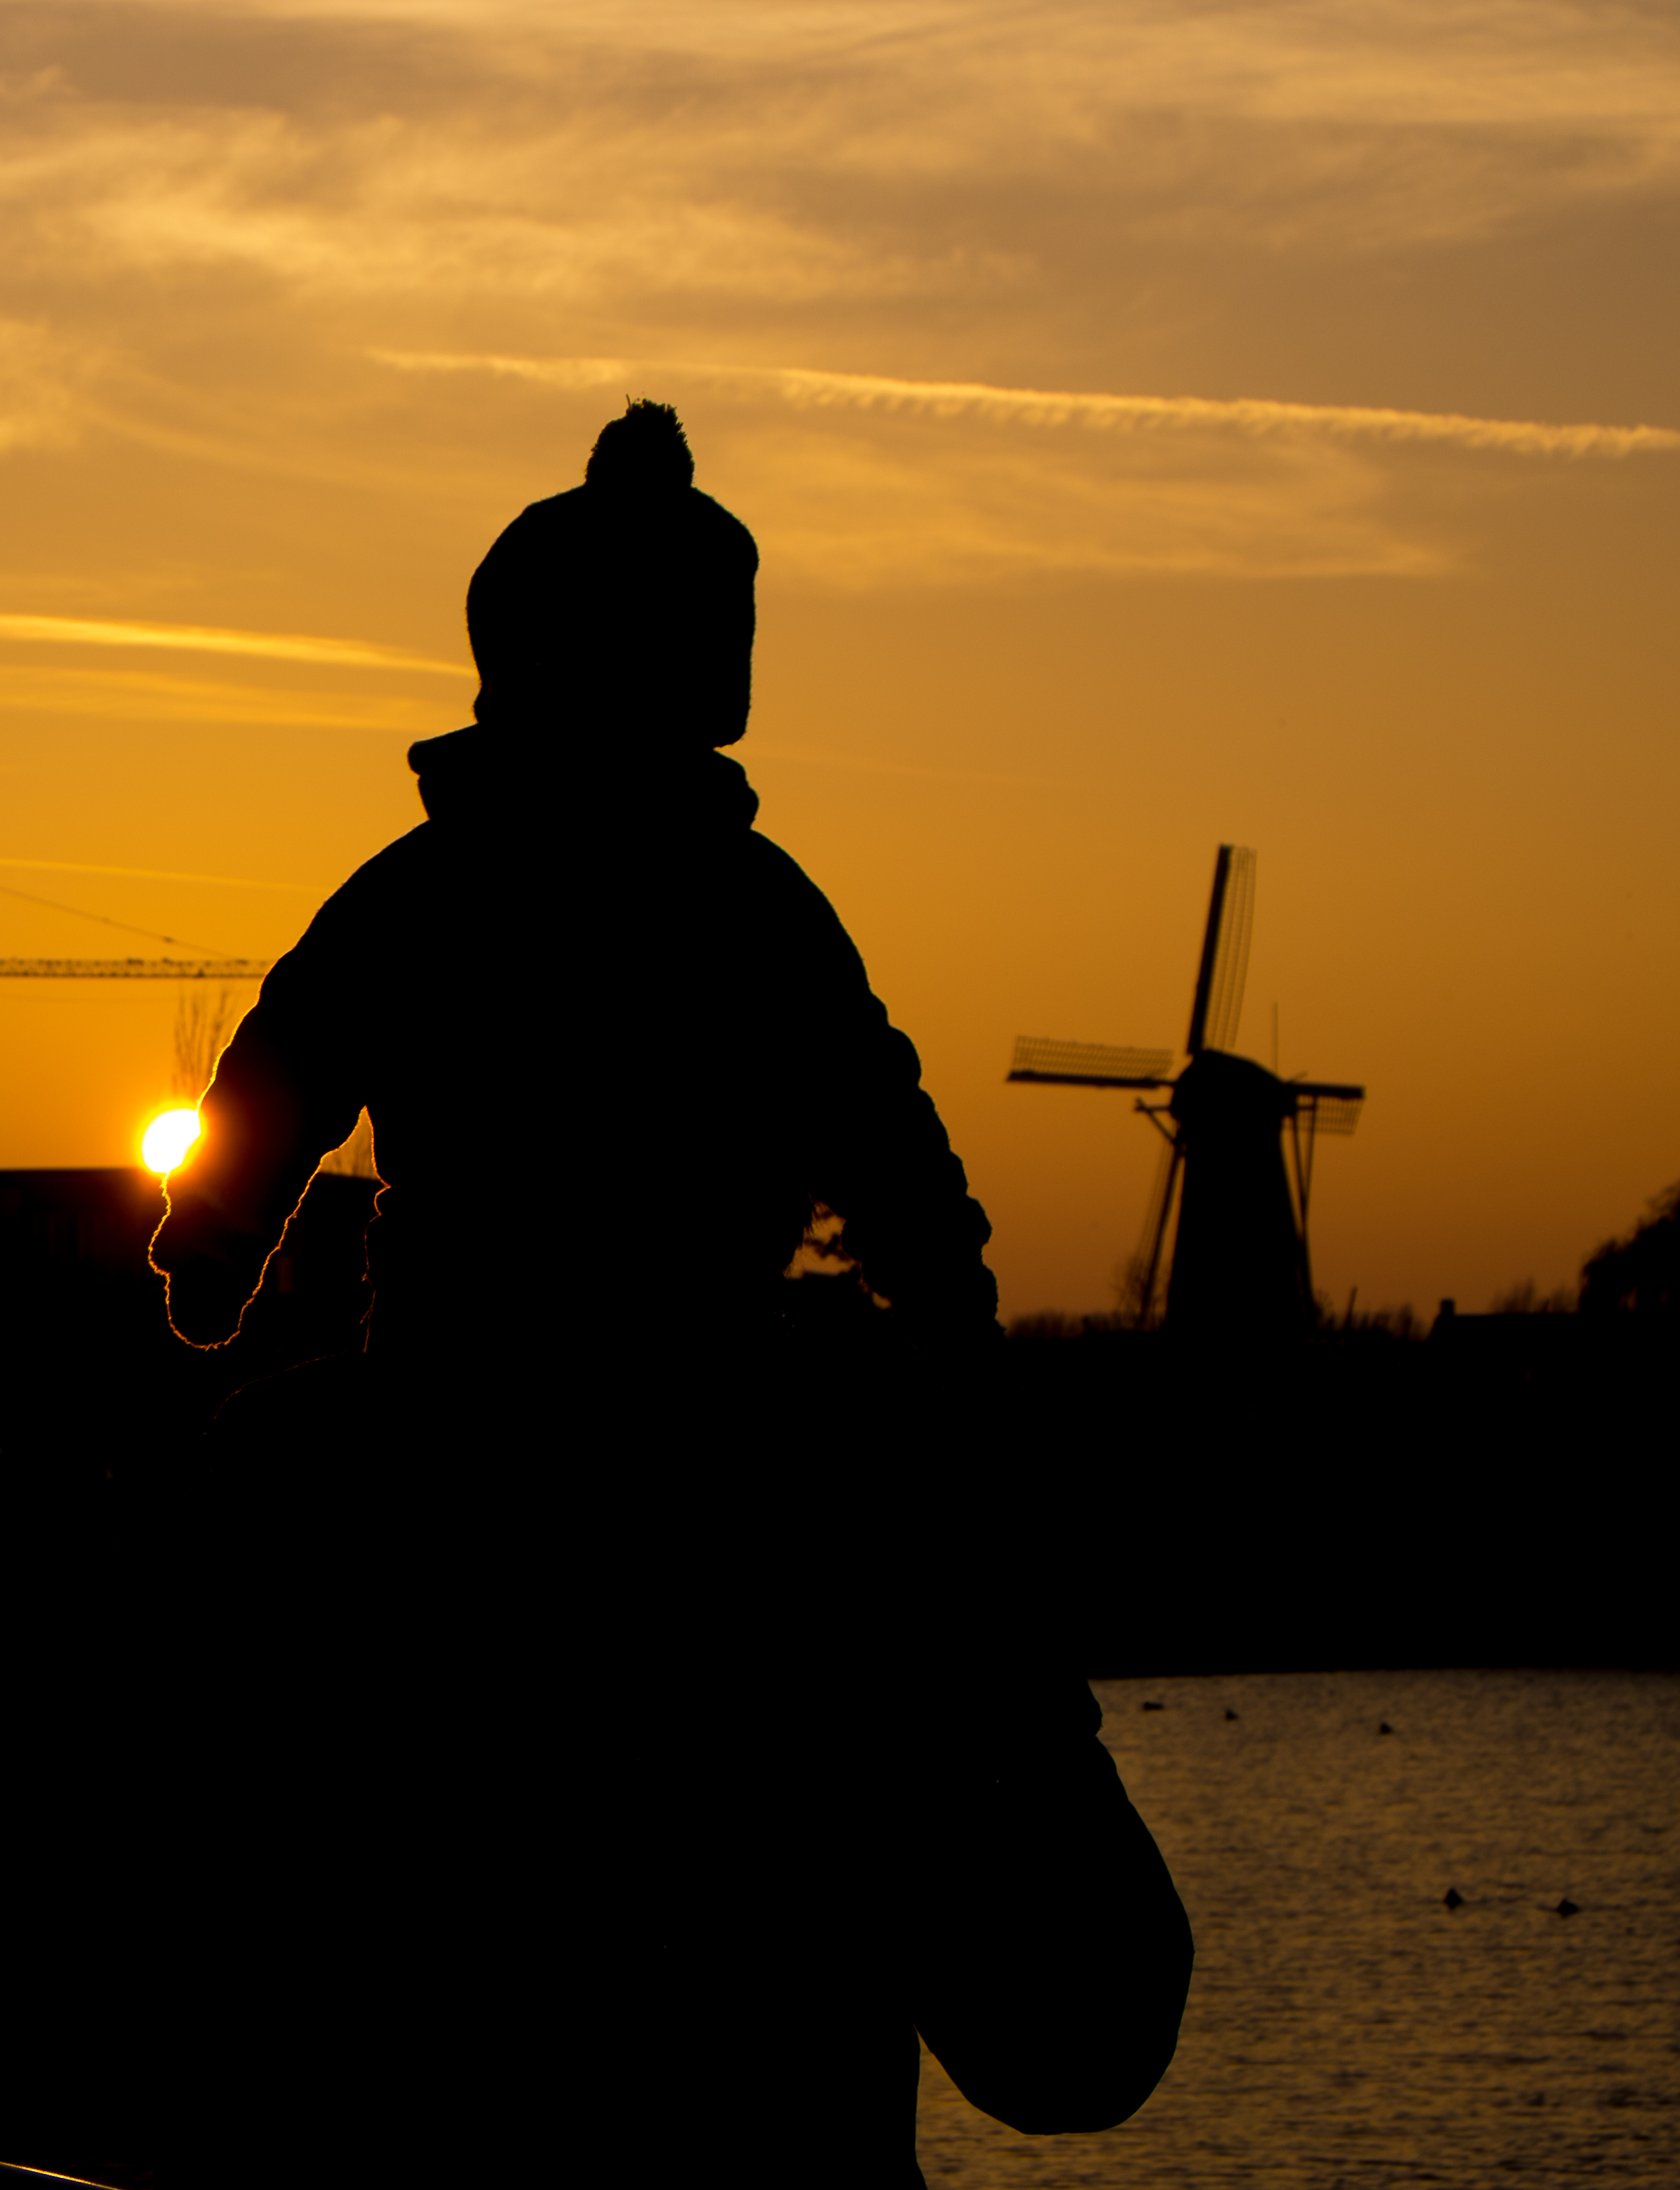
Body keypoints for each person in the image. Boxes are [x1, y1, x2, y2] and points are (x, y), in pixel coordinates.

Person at [142, 403, 1192, 2183]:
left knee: (252, 1529)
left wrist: (221, 1237)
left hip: (455, 1400)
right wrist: (943, 1325)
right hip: (710, 1405)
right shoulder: (758, 907)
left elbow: (285, 1065)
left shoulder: (430, 886)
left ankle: (245, 1965)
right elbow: (893, 1134)